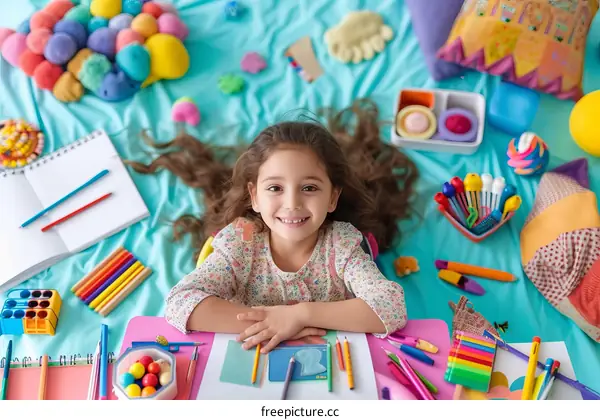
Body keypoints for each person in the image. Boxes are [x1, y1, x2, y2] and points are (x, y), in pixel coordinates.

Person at [128, 99, 418, 353]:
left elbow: (391, 307)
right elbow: (180, 302)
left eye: (309, 188)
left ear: (333, 197)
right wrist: (271, 323)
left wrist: (300, 316)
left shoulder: (341, 245)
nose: (292, 203)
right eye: (276, 188)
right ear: (254, 196)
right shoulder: (241, 243)